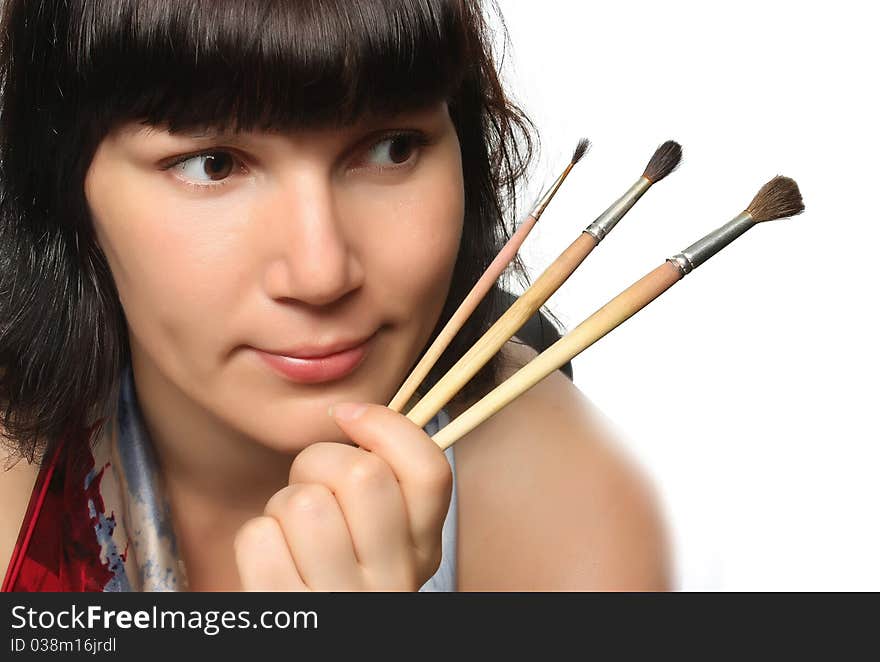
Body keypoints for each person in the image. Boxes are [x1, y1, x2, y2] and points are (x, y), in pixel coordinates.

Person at [0, 0, 670, 591]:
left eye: (392, 149)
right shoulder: (15, 481)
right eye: (215, 164)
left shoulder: (566, 502)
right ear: (64, 192)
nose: (322, 275)